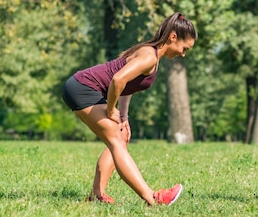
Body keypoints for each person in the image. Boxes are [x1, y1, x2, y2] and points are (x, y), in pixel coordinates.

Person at [62, 12, 197, 206]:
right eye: (184, 48)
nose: (183, 54)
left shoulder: (151, 54)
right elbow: (118, 80)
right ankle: (152, 197)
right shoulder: (149, 56)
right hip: (82, 88)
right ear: (173, 37)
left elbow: (127, 85)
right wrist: (110, 110)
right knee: (116, 140)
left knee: (120, 138)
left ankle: (97, 195)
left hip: (84, 88)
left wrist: (123, 116)